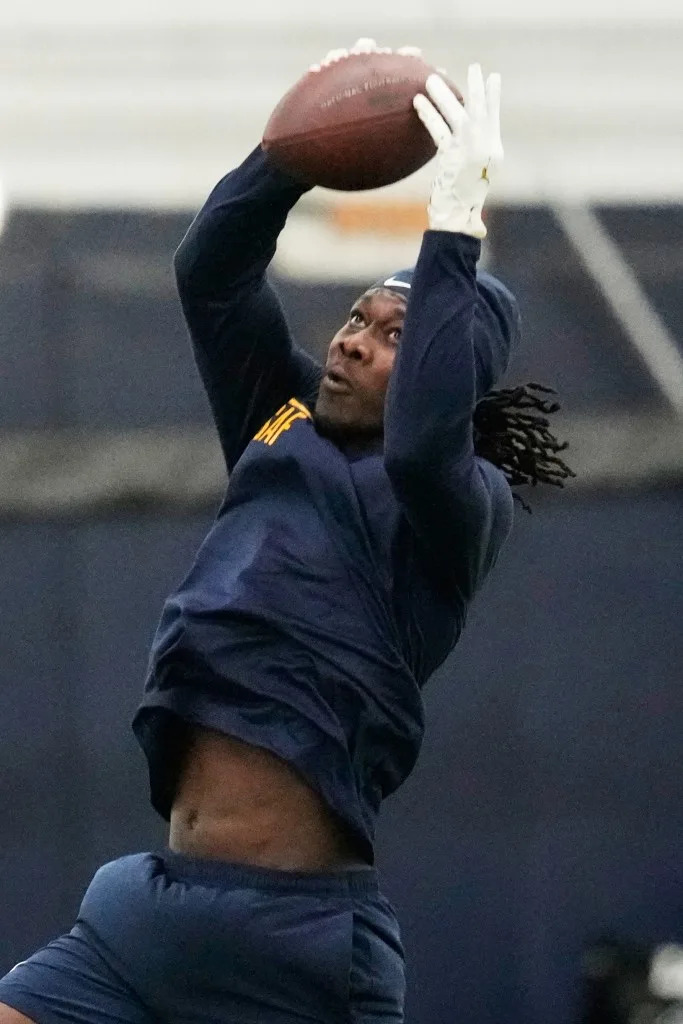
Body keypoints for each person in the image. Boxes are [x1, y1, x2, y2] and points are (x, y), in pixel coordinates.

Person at [0, 42, 571, 1024]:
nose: (350, 337)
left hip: (294, 944)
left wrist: (454, 221)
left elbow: (427, 435)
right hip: (149, 911)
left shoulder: (452, 504)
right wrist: (289, 158)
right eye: (355, 316)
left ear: (448, 364)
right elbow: (211, 274)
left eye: (394, 331)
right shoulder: (280, 421)